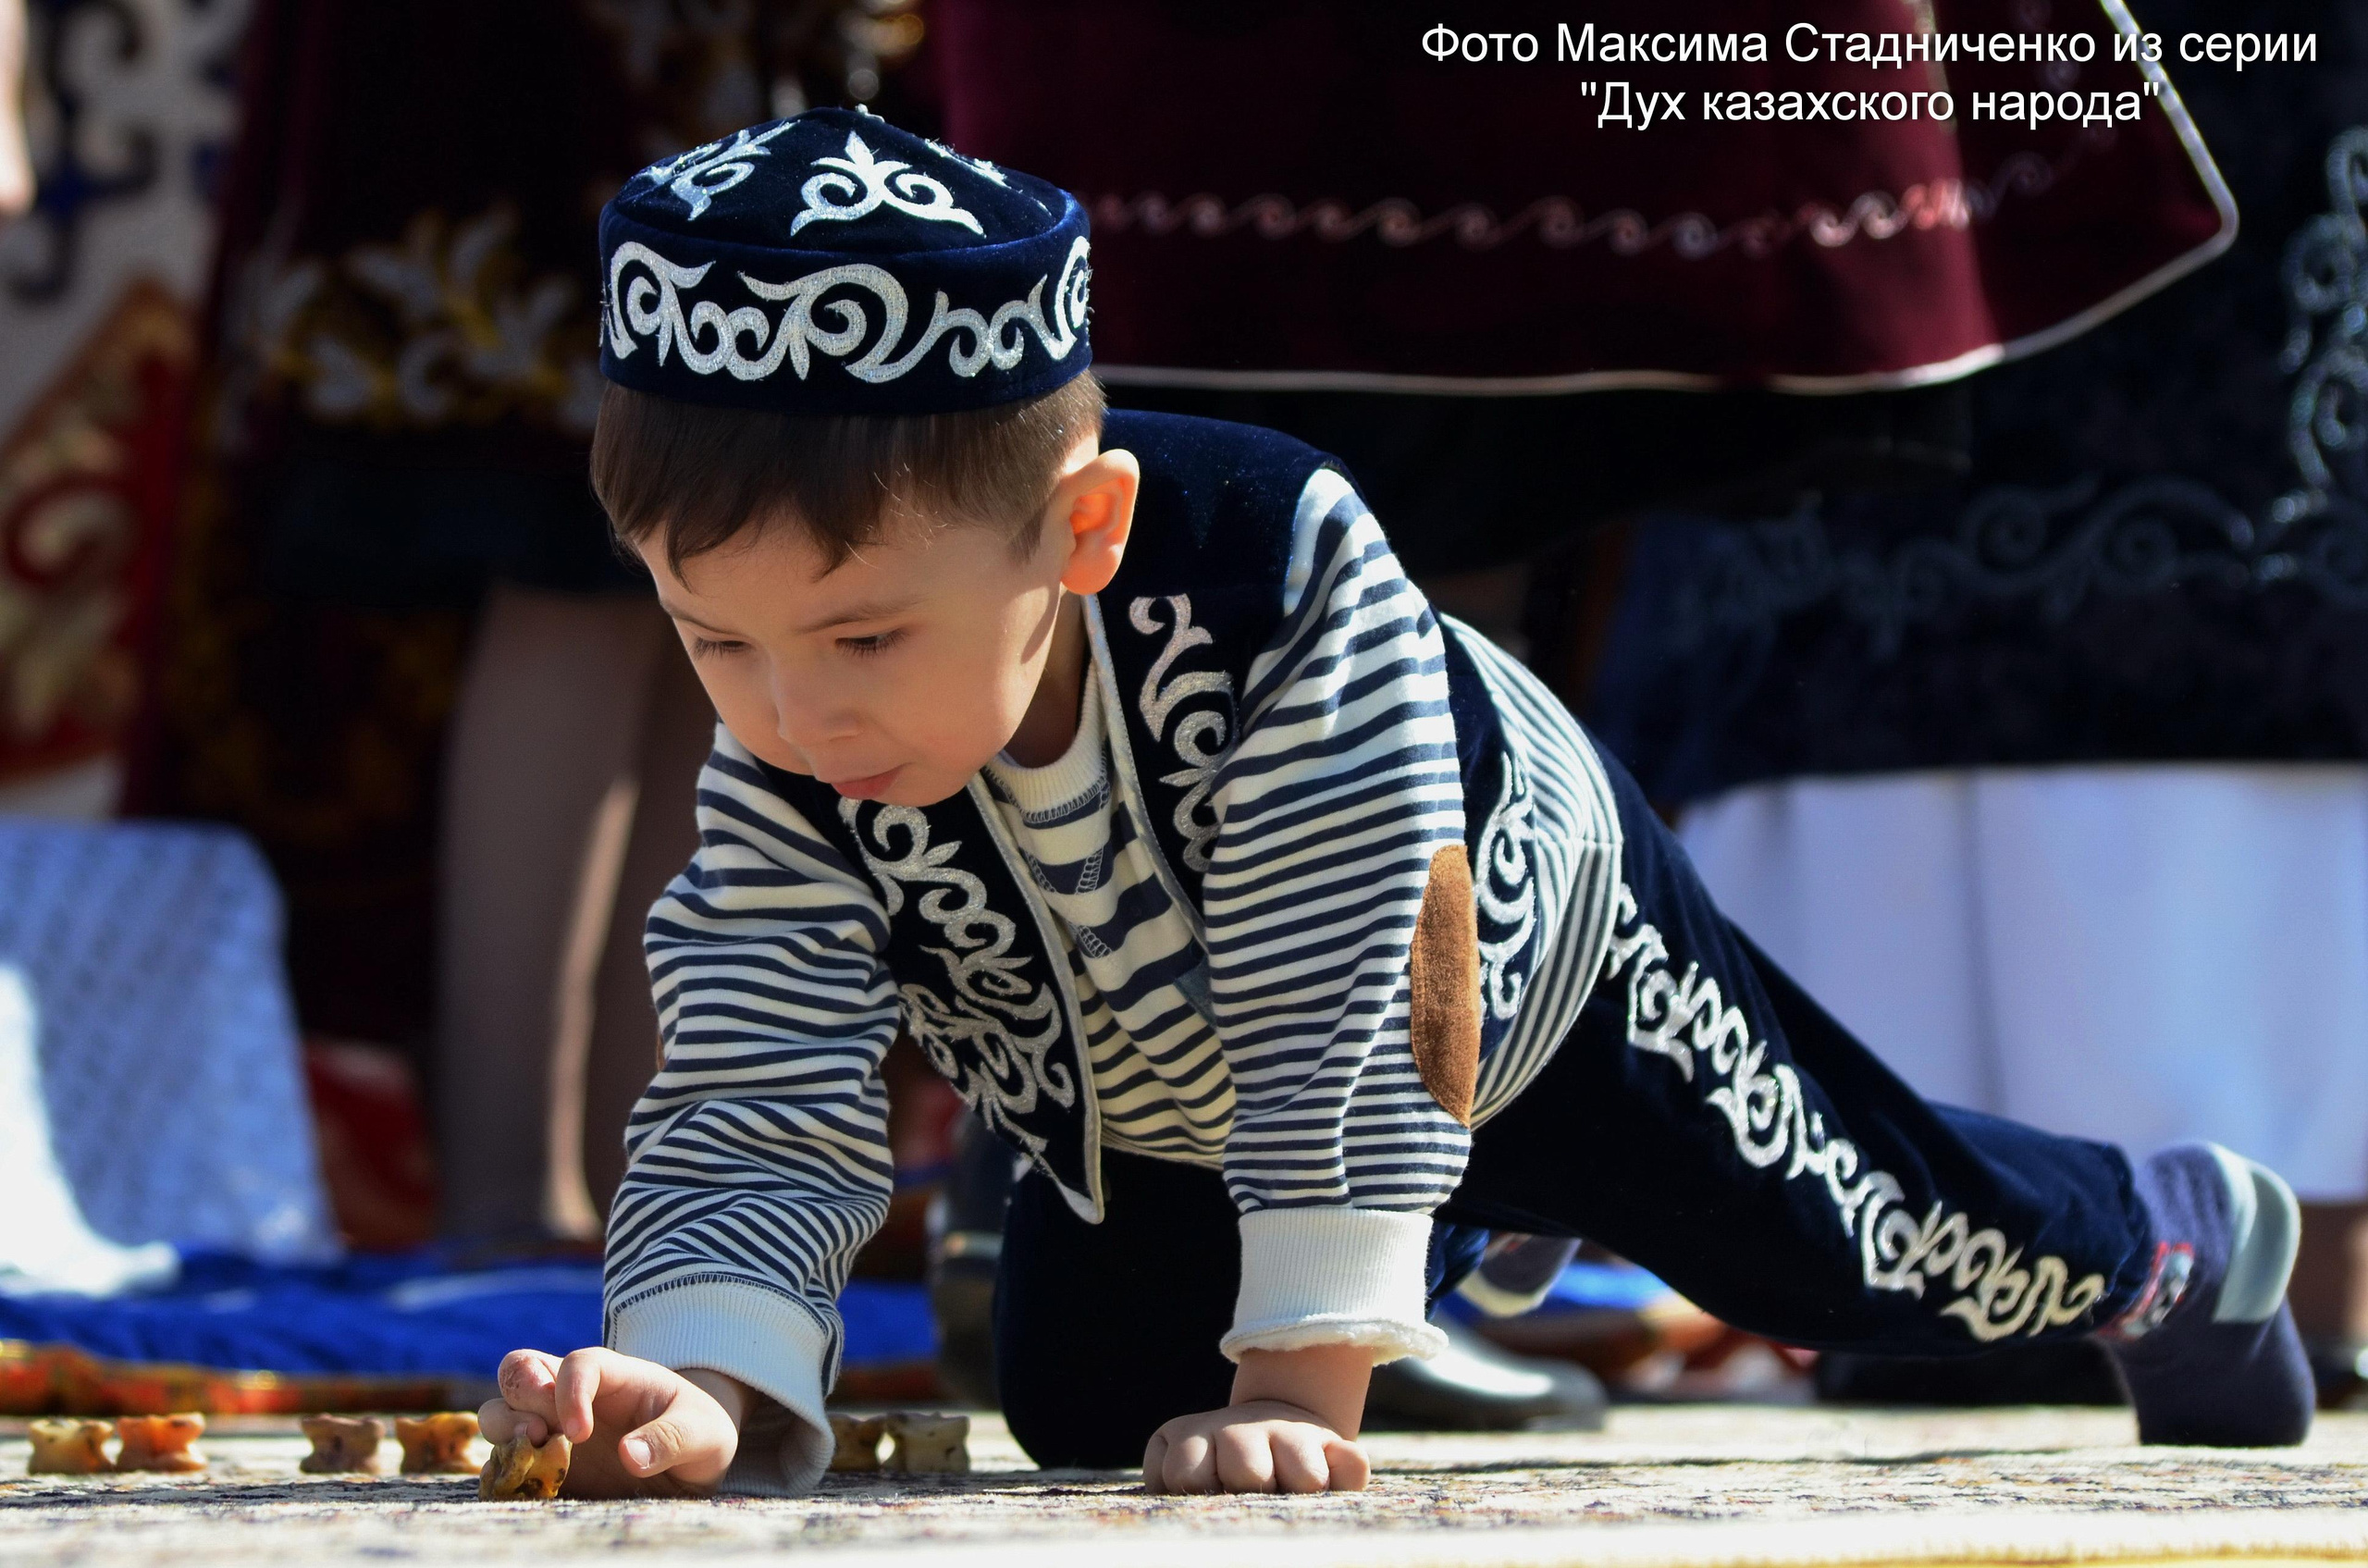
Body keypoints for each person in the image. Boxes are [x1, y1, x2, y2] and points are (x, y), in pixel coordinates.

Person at [476, 109, 2314, 1498]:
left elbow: (1362, 978)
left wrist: (1296, 1384)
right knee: (1088, 1406)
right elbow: (754, 1071)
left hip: (1522, 986)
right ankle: (1408, 1242)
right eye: (709, 637)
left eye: (864, 632)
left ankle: (2166, 1234)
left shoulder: (1272, 572)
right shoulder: (797, 730)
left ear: (1083, 530)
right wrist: (704, 1379)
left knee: (1866, 1255)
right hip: (1175, 1093)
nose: (792, 710)